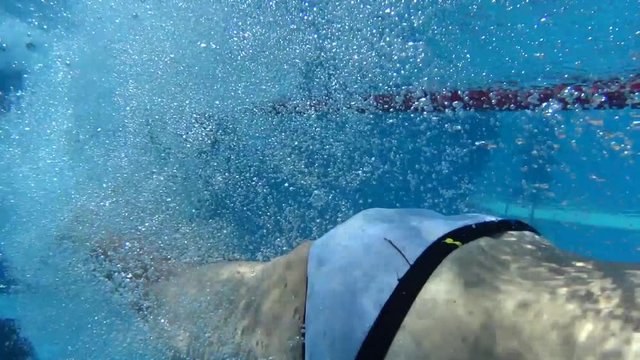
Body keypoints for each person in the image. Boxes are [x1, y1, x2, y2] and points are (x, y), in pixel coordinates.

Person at [93, 208, 640, 360]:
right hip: (381, 314)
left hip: (474, 245)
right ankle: (78, 227)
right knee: (169, 299)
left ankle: (90, 232)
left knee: (185, 293)